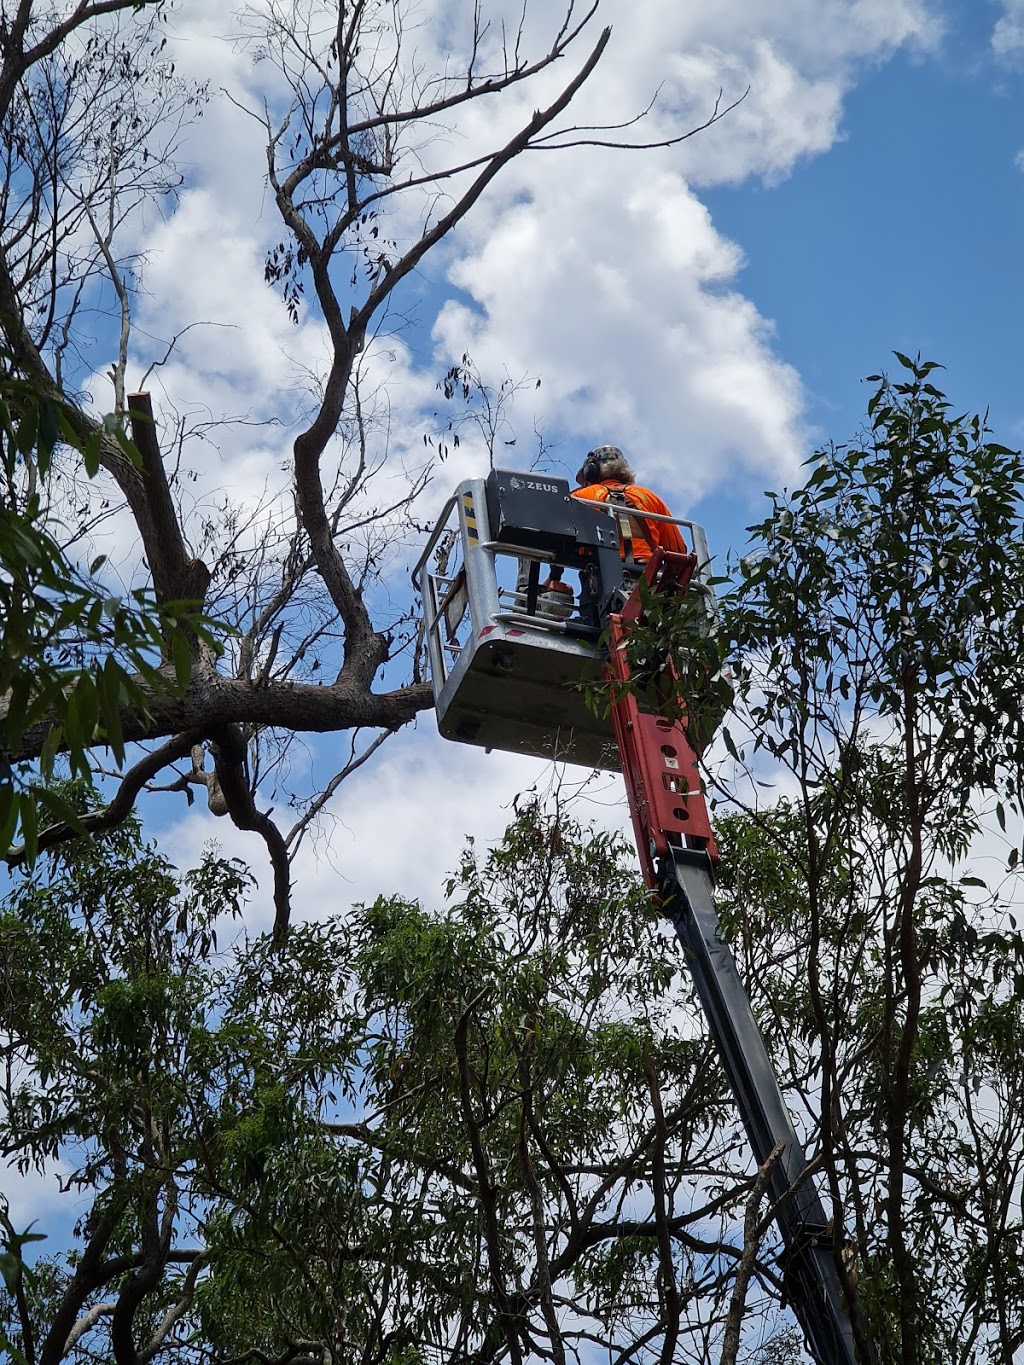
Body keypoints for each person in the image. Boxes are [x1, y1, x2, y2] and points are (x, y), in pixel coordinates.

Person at [571, 445, 686, 560]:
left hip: (601, 571)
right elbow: (677, 550)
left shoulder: (581, 496)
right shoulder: (650, 497)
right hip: (646, 572)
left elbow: (559, 535)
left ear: (591, 472)